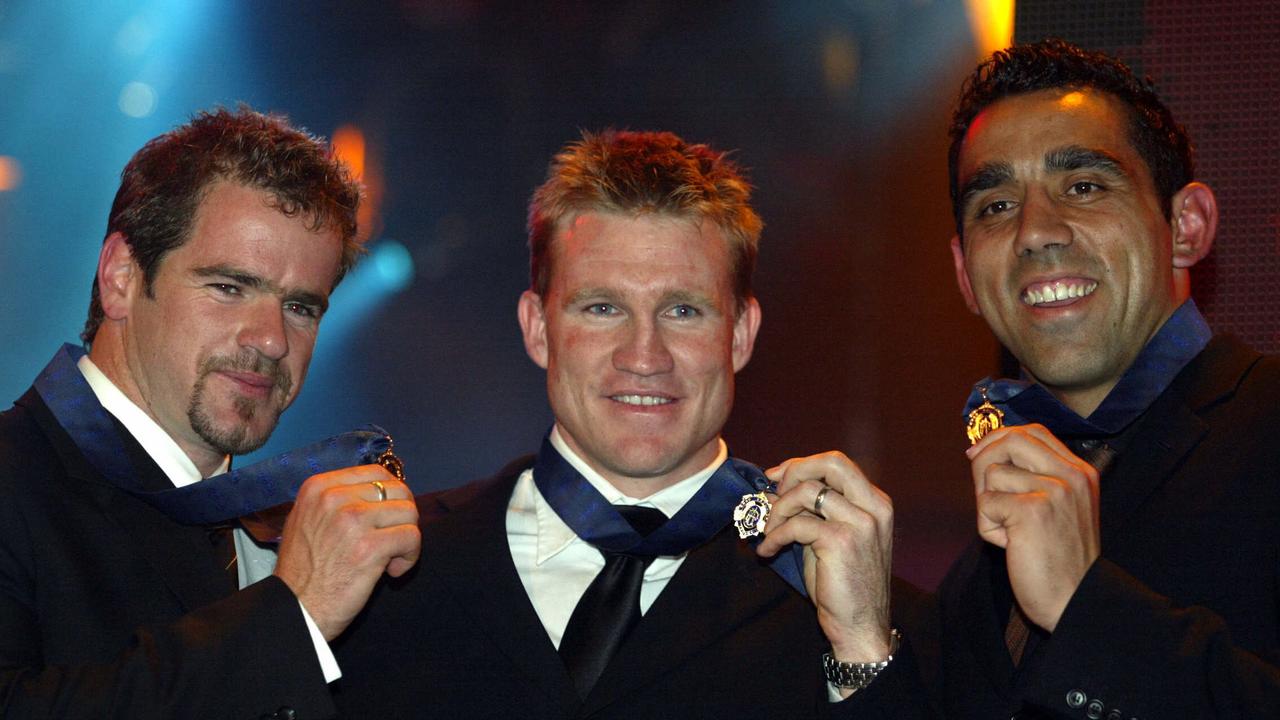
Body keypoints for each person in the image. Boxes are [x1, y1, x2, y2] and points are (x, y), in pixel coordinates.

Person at [333, 130, 911, 718]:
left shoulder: (851, 600)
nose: (644, 355)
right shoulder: (391, 569)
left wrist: (861, 652)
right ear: (538, 328)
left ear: (740, 334)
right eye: (602, 308)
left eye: (682, 310)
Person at [0, 107, 421, 718]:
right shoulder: (12, 483)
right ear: (120, 276)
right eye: (229, 287)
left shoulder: (289, 528)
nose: (272, 339)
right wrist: (291, 618)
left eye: (302, 308)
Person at [909, 38, 1280, 717]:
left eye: (1083, 186)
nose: (1034, 233)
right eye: (995, 206)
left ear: (1185, 226)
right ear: (966, 276)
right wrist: (859, 645)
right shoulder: (971, 574)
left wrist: (1087, 609)